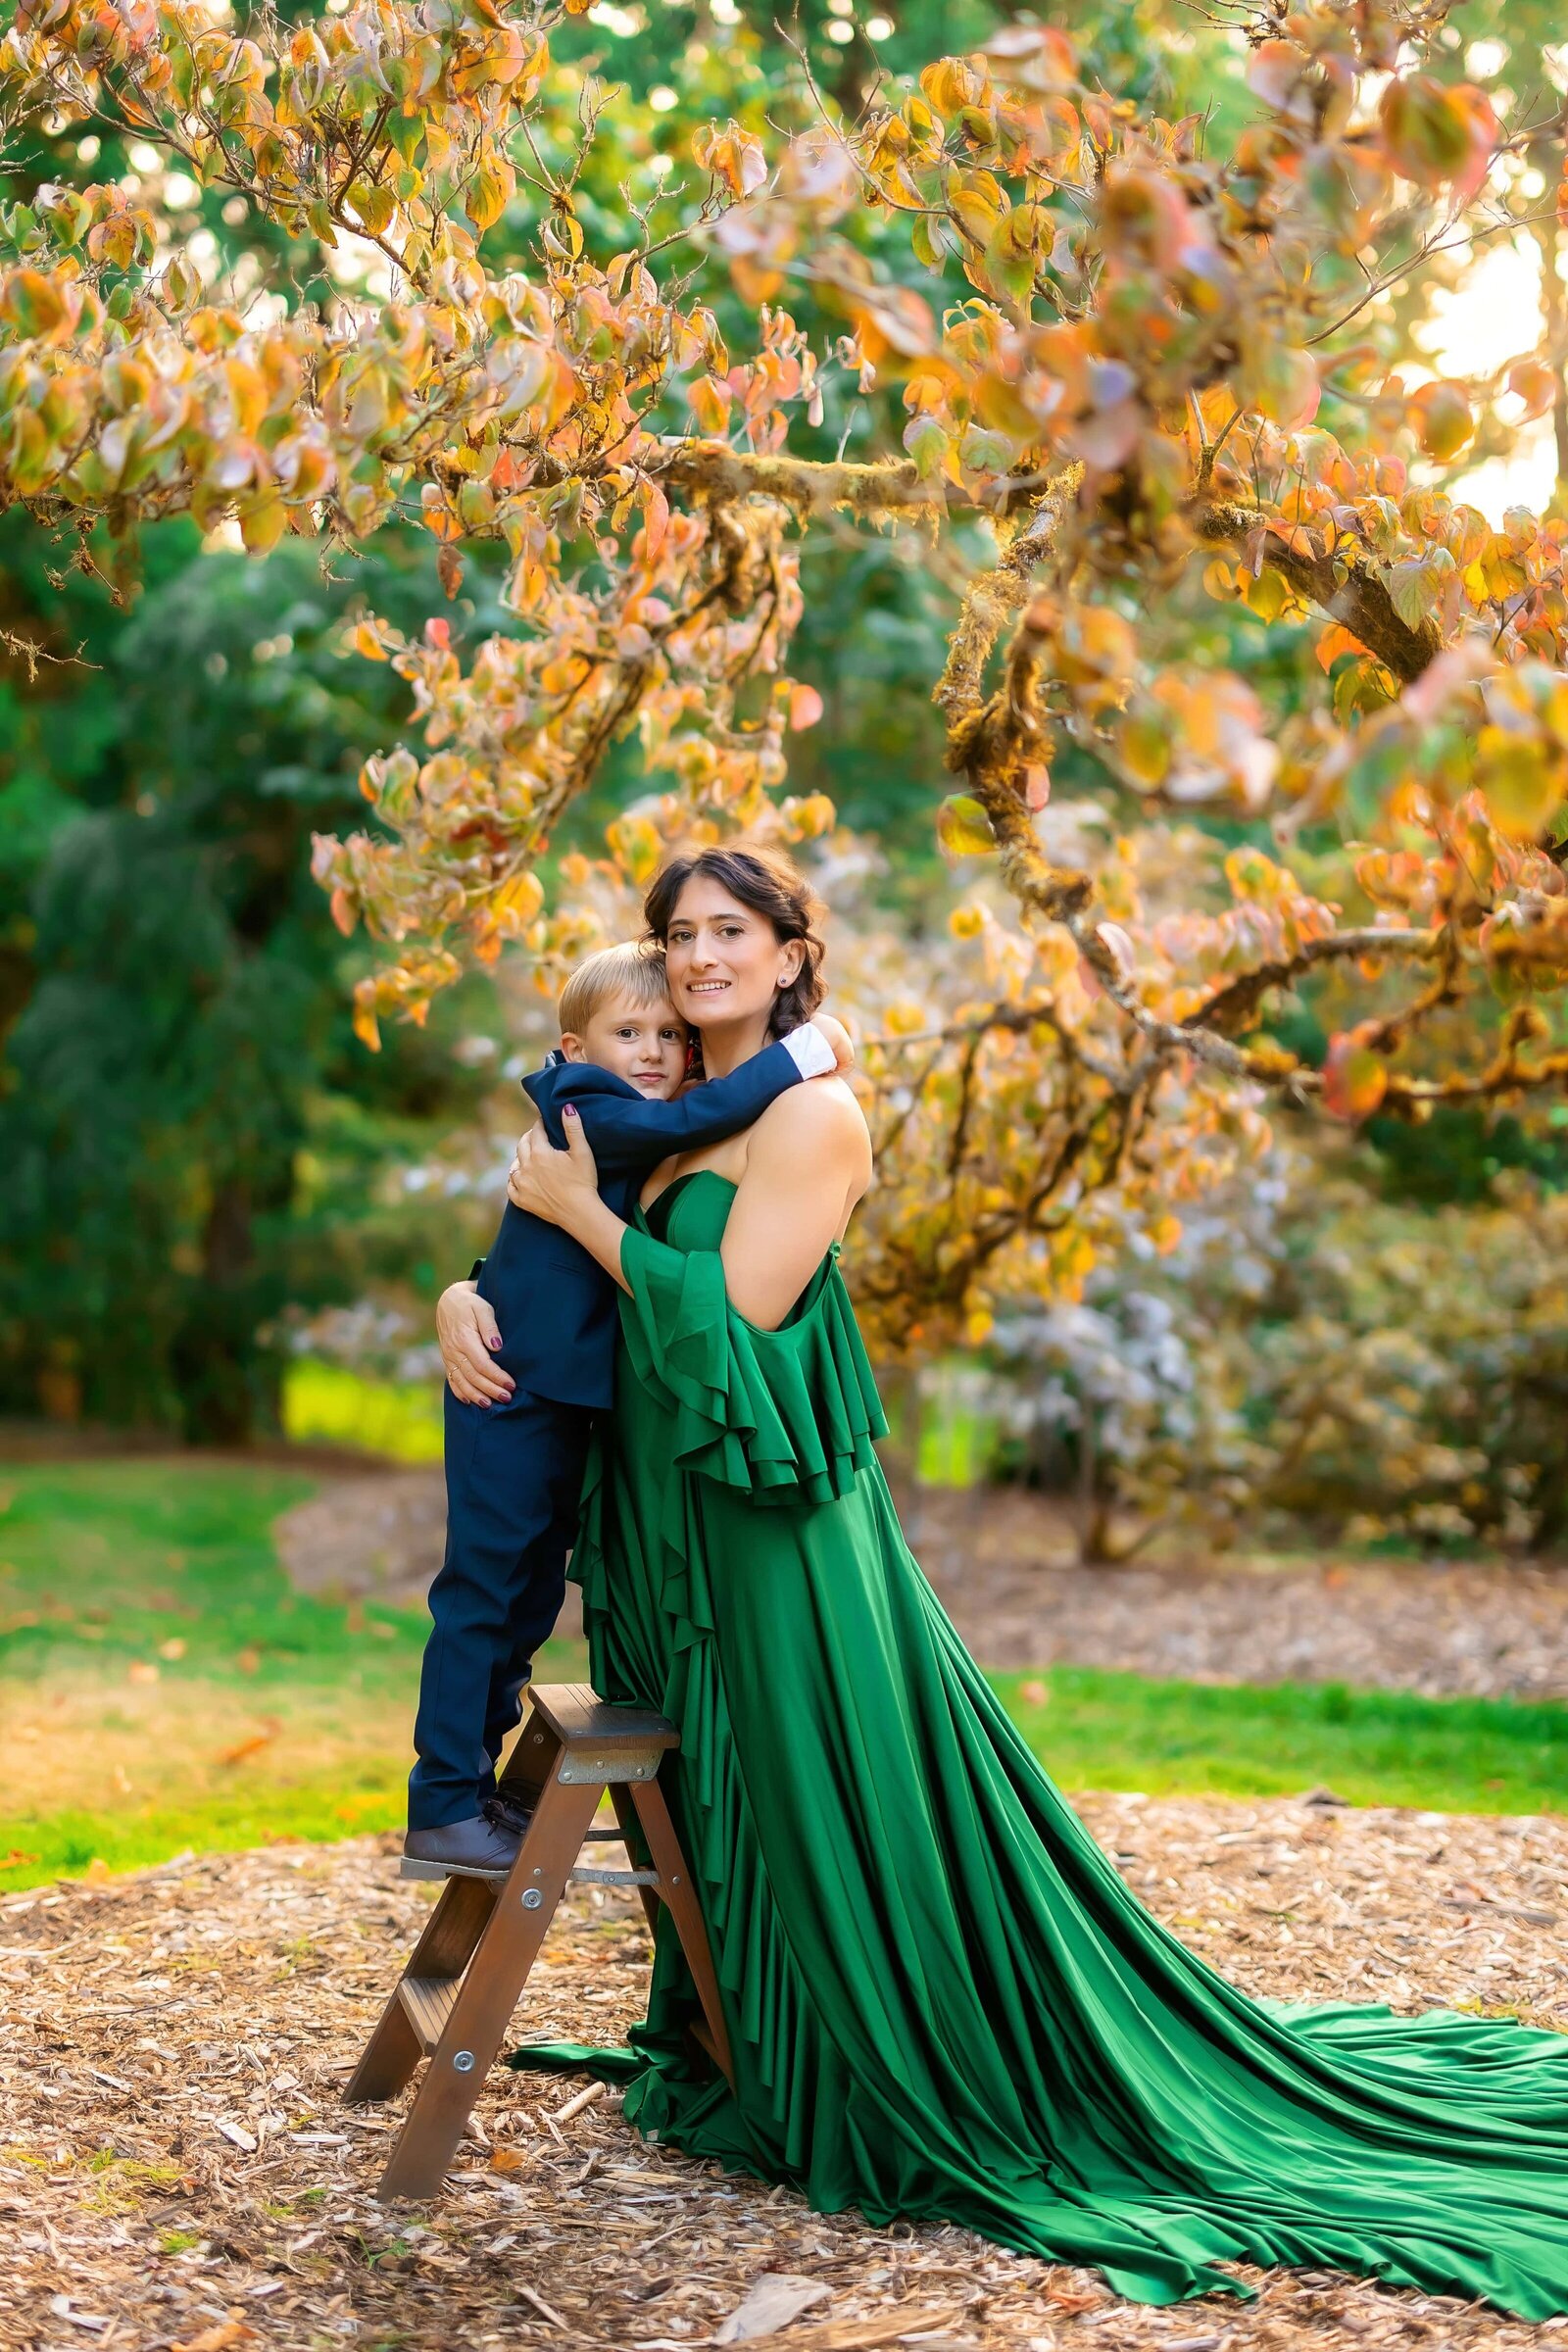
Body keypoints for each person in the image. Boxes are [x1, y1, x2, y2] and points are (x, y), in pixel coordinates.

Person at [436, 845, 1568, 2318]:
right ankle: (754, 2043)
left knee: (800, 1784)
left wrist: (587, 1219)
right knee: (712, 1796)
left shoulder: (811, 1118)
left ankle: (884, 2050)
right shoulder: (649, 1113)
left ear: (791, 954)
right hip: (661, 1530)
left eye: (732, 930)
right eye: (678, 933)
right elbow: (558, 1278)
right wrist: (469, 1293)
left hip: (769, 1544)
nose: (701, 954)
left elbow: (728, 1323)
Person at [406, 936, 851, 1879]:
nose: (650, 1050)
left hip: (561, 1401)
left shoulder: (657, 1120)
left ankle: (473, 1793)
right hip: (514, 1391)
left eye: (667, 1035)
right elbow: (709, 1116)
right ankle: (442, 1798)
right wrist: (800, 1056)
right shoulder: (581, 1105)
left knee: (523, 1595)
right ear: (573, 1048)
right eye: (627, 1032)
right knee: (484, 1591)